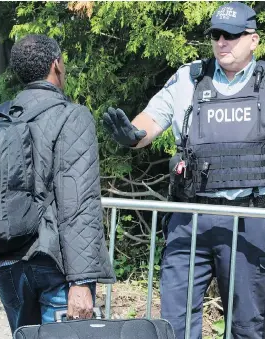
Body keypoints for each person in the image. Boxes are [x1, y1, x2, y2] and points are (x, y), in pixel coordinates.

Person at [103, 2, 265, 338]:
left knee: (249, 326)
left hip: (250, 218)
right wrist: (133, 136)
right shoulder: (190, 78)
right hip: (190, 217)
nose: (223, 42)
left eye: (233, 35)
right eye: (217, 35)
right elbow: (151, 121)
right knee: (174, 327)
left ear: (254, 40)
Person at [0, 34, 115, 334]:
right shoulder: (72, 117)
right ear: (56, 65)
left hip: (9, 263)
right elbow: (78, 204)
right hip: (56, 265)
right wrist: (81, 282)